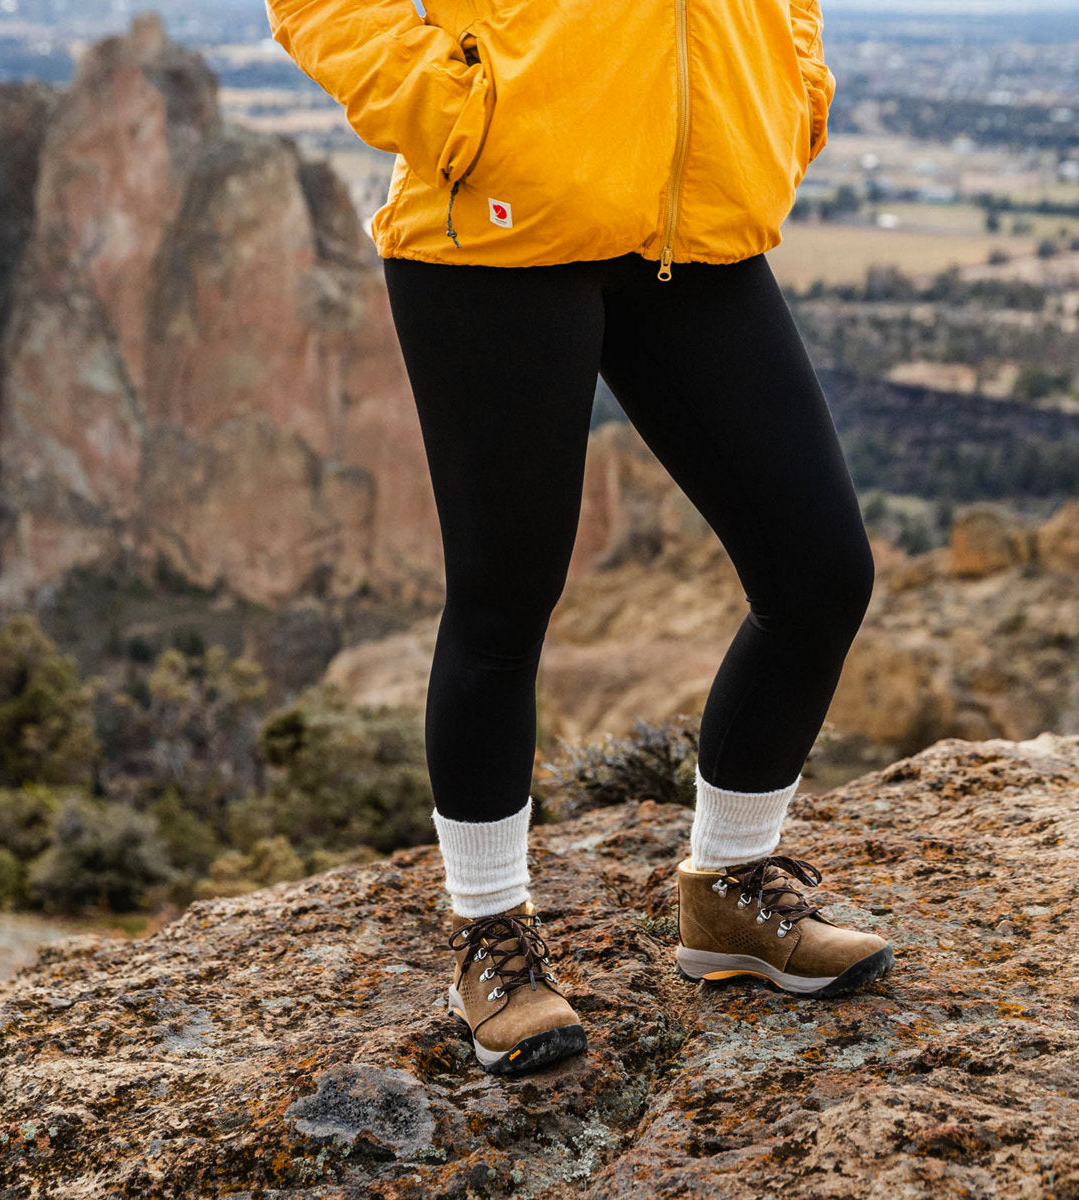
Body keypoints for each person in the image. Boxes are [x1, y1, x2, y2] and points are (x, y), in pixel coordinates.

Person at [265, 0, 894, 1076]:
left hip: (695, 223)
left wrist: (788, 93)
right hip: (501, 223)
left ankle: (733, 891)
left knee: (820, 573)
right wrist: (461, 115)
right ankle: (490, 934)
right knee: (505, 604)